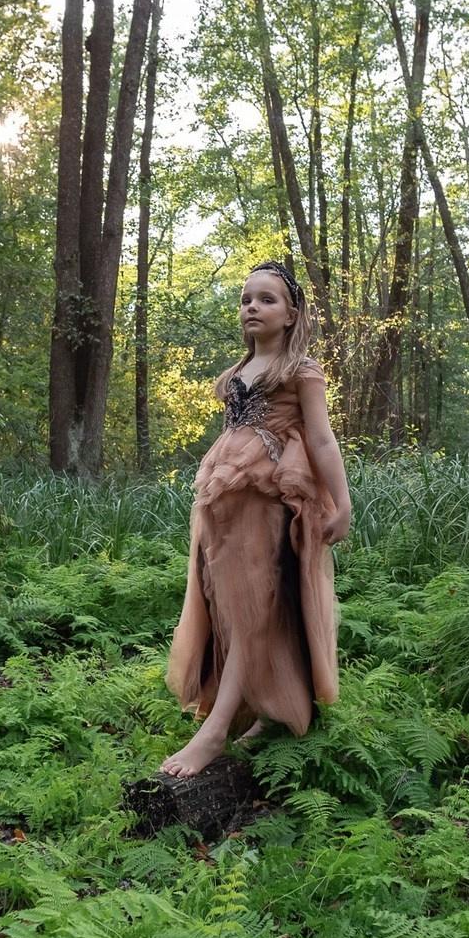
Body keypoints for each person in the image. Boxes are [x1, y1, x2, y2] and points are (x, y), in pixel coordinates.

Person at [159, 261, 351, 778]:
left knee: (255, 606)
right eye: (246, 299)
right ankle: (261, 711)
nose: (252, 307)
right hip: (226, 499)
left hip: (268, 496)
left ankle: (215, 733)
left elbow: (321, 439)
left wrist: (343, 501)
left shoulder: (301, 370)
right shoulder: (236, 375)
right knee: (229, 602)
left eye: (267, 300)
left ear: (291, 314)